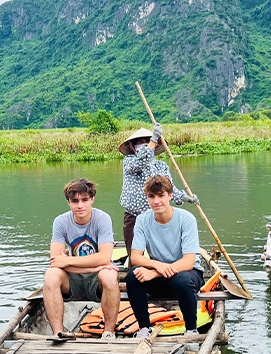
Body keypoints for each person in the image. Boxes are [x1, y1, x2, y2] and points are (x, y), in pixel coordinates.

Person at [125, 175, 204, 338]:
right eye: (151, 196)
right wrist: (157, 267)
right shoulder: (142, 220)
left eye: (161, 195)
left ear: (170, 195)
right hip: (162, 275)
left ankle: (191, 330)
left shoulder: (186, 219)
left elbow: (188, 262)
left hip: (188, 274)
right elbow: (135, 257)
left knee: (181, 281)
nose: (156, 201)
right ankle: (144, 329)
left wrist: (155, 271)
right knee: (133, 276)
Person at [44, 178, 120, 337]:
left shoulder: (102, 219)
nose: (80, 205)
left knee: (109, 274)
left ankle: (108, 332)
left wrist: (68, 261)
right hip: (73, 279)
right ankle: (58, 333)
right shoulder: (60, 222)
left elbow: (105, 257)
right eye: (75, 201)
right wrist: (94, 266)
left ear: (92, 199)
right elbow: (55, 262)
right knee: (51, 275)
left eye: (85, 200)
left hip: (96, 279)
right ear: (68, 202)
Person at [119, 123, 198, 254]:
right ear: (133, 147)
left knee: (161, 253)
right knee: (134, 256)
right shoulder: (129, 161)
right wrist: (153, 139)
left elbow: (169, 189)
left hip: (158, 217)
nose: (144, 144)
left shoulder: (161, 166)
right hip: (133, 216)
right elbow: (142, 161)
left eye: (147, 141)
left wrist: (186, 197)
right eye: (140, 142)